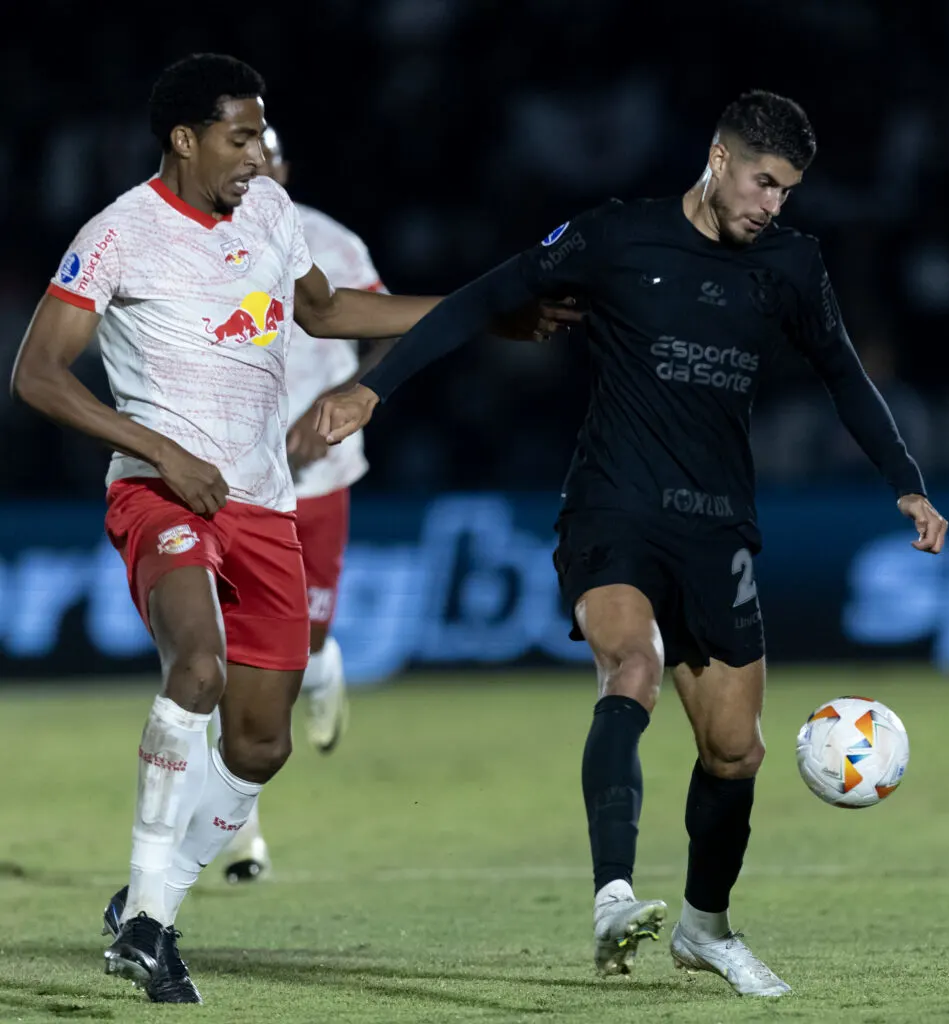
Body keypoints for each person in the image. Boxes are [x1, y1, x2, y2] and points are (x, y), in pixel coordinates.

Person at [314, 89, 949, 997]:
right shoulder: (615, 237)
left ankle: (704, 927)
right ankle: (614, 896)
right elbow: (475, 302)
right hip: (612, 508)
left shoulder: (791, 264)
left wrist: (905, 480)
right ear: (718, 158)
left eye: (787, 191)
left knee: (735, 752)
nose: (773, 205)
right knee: (631, 667)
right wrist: (377, 392)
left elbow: (843, 375)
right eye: (763, 182)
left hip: (717, 523)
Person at [10, 53, 573, 1005]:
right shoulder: (118, 235)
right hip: (159, 491)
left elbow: (325, 311)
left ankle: (148, 905)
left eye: (262, 136)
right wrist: (158, 450)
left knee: (260, 748)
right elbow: (38, 374)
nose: (256, 154)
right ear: (184, 140)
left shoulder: (269, 212)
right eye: (238, 137)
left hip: (263, 503)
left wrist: (475, 316)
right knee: (198, 667)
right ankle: (149, 920)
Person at [217, 124, 392, 884]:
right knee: (224, 660)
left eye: (269, 158)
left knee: (300, 646)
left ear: (284, 166)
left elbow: (382, 333)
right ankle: (238, 833)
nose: (257, 170)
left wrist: (338, 400)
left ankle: (324, 664)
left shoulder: (328, 240)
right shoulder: (194, 242)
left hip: (315, 478)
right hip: (227, 483)